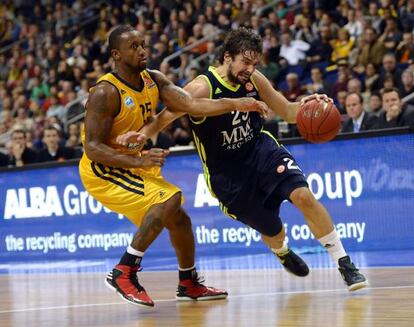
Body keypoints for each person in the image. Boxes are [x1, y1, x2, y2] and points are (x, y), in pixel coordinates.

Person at [119, 27, 368, 292]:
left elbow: (288, 111)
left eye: (254, 63)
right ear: (228, 57)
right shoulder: (202, 87)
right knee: (273, 230)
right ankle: (282, 250)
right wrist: (143, 135)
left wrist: (311, 104)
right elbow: (166, 117)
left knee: (303, 196)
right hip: (228, 175)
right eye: (245, 62)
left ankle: (344, 263)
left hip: (260, 151)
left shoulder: (254, 80)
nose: (250, 68)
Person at [79, 25, 268, 308]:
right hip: (103, 170)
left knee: (179, 219)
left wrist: (239, 103)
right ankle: (124, 271)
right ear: (116, 55)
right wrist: (137, 159)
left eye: (143, 44)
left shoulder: (153, 79)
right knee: (169, 197)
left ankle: (188, 282)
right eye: (134, 47)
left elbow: (192, 104)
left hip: (131, 162)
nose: (143, 50)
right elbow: (93, 148)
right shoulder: (105, 92)